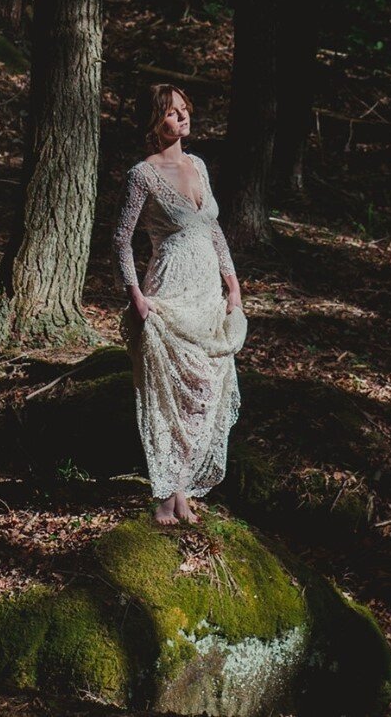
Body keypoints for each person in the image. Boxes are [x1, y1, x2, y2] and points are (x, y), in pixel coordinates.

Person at [112, 83, 247, 526]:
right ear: (155, 121)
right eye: (172, 112)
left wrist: (232, 285)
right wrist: (136, 297)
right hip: (169, 288)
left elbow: (213, 230)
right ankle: (166, 497)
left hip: (207, 290)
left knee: (206, 392)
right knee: (171, 389)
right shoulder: (143, 174)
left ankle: (183, 489)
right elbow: (121, 239)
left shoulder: (199, 165)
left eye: (185, 110)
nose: (182, 118)